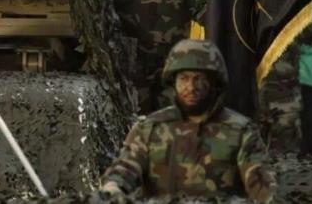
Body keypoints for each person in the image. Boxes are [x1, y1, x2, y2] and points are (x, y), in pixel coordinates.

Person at [100, 40, 276, 203]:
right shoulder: (150, 129)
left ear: (214, 82)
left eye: (199, 78)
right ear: (173, 82)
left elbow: (260, 181)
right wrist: (112, 189)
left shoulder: (241, 131)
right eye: (184, 78)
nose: (191, 87)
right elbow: (125, 169)